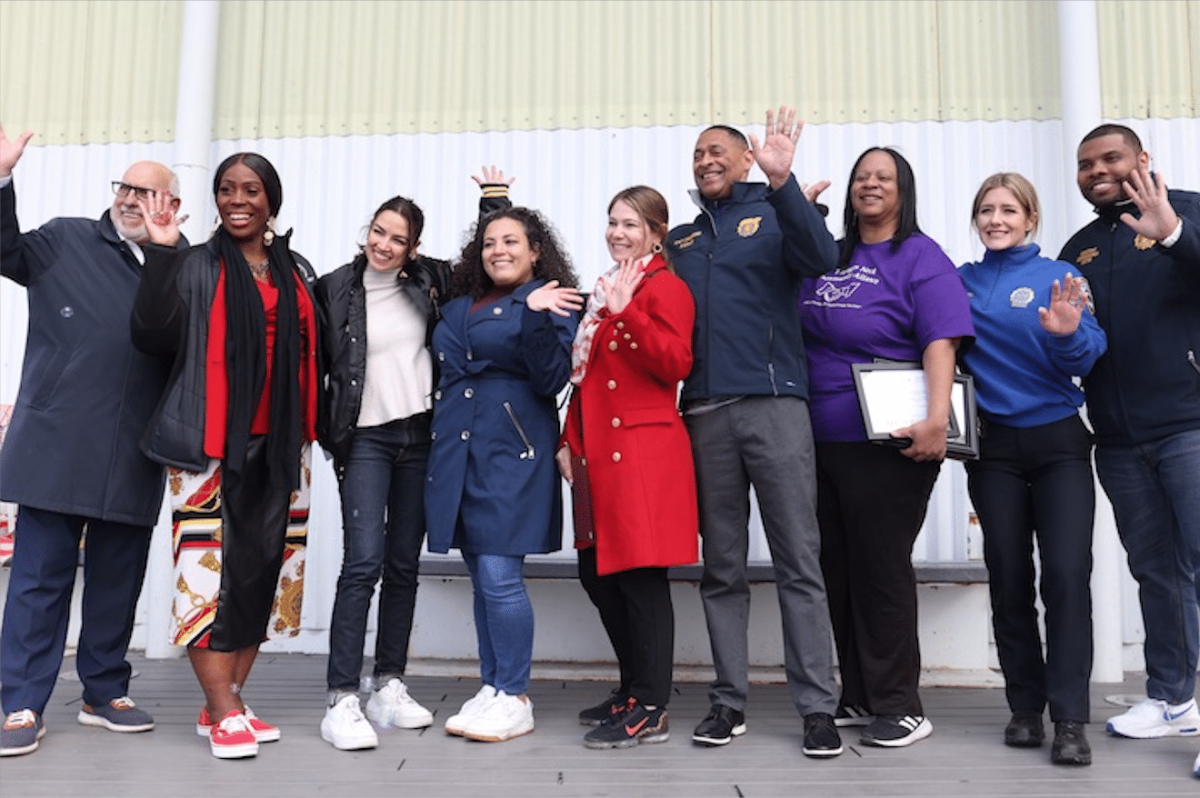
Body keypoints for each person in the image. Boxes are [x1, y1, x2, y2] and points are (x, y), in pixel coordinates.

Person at [0, 125, 187, 758]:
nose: (133, 199)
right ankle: (19, 702)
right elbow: (4, 249)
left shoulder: (186, 266)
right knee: (38, 581)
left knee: (117, 578)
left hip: (135, 448)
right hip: (56, 440)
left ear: (172, 206)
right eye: (125, 188)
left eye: (148, 191)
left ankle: (104, 692)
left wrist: (166, 254)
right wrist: (2, 179)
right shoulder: (66, 240)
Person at [130, 152, 320, 760]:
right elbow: (152, 335)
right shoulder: (193, 265)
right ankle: (226, 708)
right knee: (205, 579)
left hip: (283, 446)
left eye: (252, 190)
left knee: (263, 574)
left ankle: (224, 702)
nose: (238, 200)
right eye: (226, 190)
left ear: (272, 201)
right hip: (207, 445)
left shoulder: (295, 269)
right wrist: (161, 253)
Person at [667, 106, 844, 758]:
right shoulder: (682, 241)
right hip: (706, 414)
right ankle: (727, 702)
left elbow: (822, 257)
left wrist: (784, 184)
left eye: (719, 151)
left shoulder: (774, 212)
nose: (707, 160)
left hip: (775, 406)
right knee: (722, 567)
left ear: (746, 159)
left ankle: (817, 708)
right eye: (697, 153)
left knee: (799, 561)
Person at [315, 171, 512, 751]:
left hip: (420, 438)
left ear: (413, 248)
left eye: (397, 239)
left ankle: (388, 685)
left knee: (403, 564)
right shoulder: (333, 287)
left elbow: (490, 261)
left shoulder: (429, 283)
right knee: (363, 564)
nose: (384, 244)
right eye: (378, 232)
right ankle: (341, 697)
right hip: (367, 439)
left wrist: (494, 204)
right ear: (368, 232)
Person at [798, 146, 974, 748]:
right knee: (836, 569)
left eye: (884, 178)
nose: (870, 185)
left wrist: (935, 420)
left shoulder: (921, 257)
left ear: (904, 190)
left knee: (880, 568)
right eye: (862, 177)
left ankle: (900, 704)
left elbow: (941, 341)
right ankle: (859, 693)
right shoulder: (833, 255)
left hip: (889, 440)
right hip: (818, 439)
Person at [1056, 125, 1200, 777]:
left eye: (1110, 158)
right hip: (1117, 438)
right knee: (1155, 571)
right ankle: (1172, 696)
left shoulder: (1188, 212)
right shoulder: (1079, 248)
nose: (1097, 171)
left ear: (1142, 159)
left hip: (1189, 426)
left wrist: (1171, 233)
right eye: (1086, 164)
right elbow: (1077, 341)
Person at [958, 172, 1107, 766]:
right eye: (986, 210)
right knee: (1008, 575)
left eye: (1008, 210)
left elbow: (1089, 353)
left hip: (1058, 443)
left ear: (1030, 220)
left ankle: (1070, 718)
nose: (996, 219)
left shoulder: (1059, 278)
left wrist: (1068, 336)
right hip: (993, 450)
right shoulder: (960, 282)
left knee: (1067, 577)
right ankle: (1025, 707)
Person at [424, 205, 582, 743]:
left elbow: (550, 378)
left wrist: (535, 313)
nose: (500, 251)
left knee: (499, 575)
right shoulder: (460, 304)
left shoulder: (550, 300)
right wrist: (492, 200)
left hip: (510, 450)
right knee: (480, 578)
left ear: (536, 251)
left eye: (513, 241)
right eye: (490, 242)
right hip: (458, 449)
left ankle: (515, 693)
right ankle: (492, 686)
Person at [556, 186, 698, 750]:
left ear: (656, 233)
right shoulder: (606, 286)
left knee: (642, 579)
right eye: (612, 222)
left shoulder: (665, 287)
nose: (618, 232)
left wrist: (627, 312)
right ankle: (634, 689)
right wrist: (568, 440)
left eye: (631, 224)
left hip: (643, 454)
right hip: (597, 453)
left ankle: (653, 707)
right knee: (597, 573)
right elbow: (584, 375)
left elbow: (675, 362)